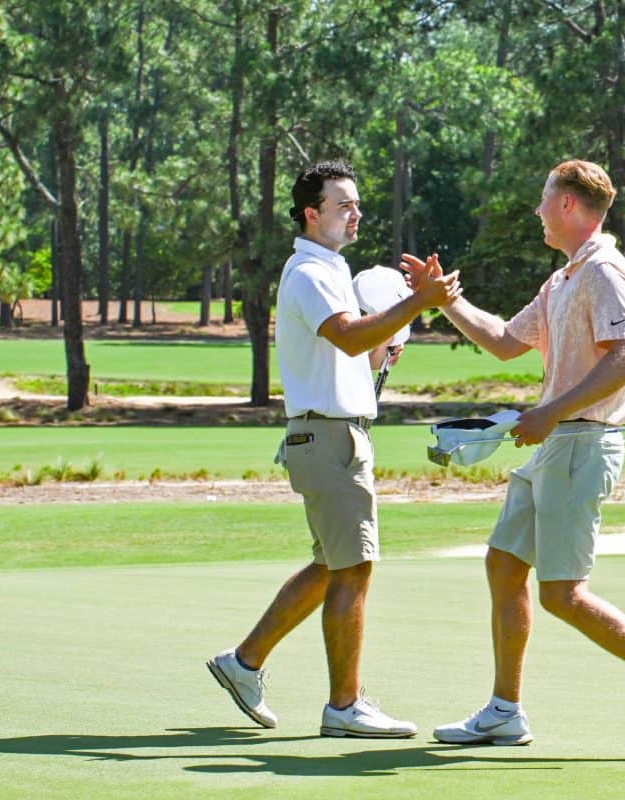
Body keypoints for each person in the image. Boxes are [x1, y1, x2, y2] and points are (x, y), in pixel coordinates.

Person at [402, 160, 625, 758]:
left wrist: (551, 412)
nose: (538, 210)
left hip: (581, 443)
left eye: (545, 199)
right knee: (503, 564)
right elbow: (503, 341)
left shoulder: (605, 269)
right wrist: (443, 300)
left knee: (563, 593)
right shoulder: (563, 279)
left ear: (570, 206)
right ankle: (504, 711)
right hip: (553, 445)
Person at [207, 160, 460, 738]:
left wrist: (386, 344)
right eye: (343, 205)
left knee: (331, 567)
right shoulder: (311, 272)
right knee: (354, 568)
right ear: (311, 213)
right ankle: (344, 707)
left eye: (356, 204)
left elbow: (352, 350)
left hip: (331, 434)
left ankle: (242, 663)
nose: (355, 214)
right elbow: (347, 334)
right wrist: (417, 303)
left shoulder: (331, 271)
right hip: (329, 437)